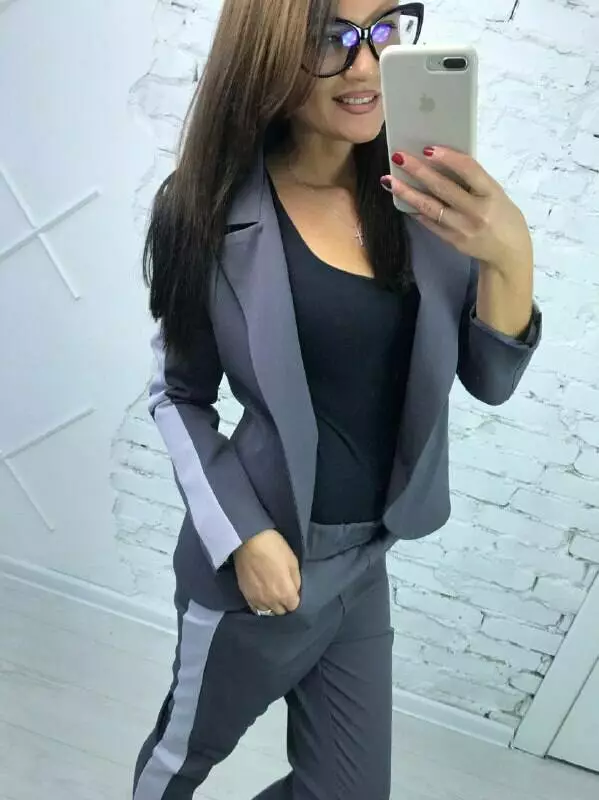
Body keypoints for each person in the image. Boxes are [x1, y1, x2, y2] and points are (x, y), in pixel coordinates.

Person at [132, 1, 541, 798]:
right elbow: (177, 395)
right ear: (267, 51)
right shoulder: (207, 208)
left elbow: (489, 380)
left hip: (367, 560)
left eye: (385, 29)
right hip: (264, 567)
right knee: (181, 762)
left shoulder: (425, 196)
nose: (365, 64)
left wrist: (508, 250)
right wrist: (244, 538)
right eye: (331, 38)